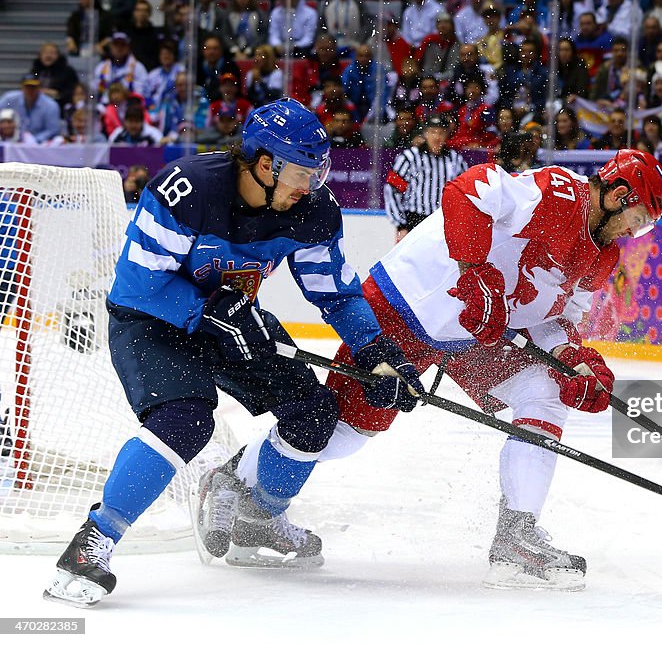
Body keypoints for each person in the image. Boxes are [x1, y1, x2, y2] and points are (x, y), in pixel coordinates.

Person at [198, 149, 662, 591]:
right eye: (640, 220)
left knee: (545, 390)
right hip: (404, 307)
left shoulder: (603, 252)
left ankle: (516, 538)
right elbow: (467, 190)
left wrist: (573, 358)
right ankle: (235, 479)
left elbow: (555, 318)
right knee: (341, 434)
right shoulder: (553, 194)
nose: (636, 232)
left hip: (475, 332)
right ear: (619, 195)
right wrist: (474, 272)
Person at [43, 98, 422, 607]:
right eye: (305, 173)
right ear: (267, 164)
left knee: (314, 415)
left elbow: (333, 293)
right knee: (186, 420)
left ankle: (257, 520)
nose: (311, 186)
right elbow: (139, 285)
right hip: (151, 323)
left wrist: (378, 352)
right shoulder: (188, 190)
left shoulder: (314, 211)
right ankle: (93, 543)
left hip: (230, 322)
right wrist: (216, 313)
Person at [384, 113, 467, 242]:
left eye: (441, 133)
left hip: (443, 223)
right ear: (425, 134)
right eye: (433, 132)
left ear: (447, 135)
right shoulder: (409, 157)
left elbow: (464, 193)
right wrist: (401, 225)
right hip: (414, 221)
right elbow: (392, 190)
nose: (436, 137)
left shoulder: (455, 160)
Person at [0, 74, 63, 142]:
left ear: (39, 88)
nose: (30, 90)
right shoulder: (9, 99)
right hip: (11, 141)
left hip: (39, 145)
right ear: (22, 87)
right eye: (27, 87)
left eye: (33, 87)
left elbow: (53, 130)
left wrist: (34, 140)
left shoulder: (50, 105)